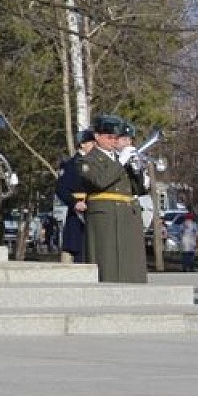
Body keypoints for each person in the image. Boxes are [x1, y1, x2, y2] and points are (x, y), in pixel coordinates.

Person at [77, 114, 147, 283]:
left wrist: (137, 170)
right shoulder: (87, 161)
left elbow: (137, 190)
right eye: (109, 137)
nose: (113, 141)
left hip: (127, 215)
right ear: (97, 136)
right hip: (105, 216)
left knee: (130, 261)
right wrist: (121, 162)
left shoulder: (120, 158)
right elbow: (101, 181)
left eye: (116, 137)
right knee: (107, 260)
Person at [56, 129, 96, 263]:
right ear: (82, 144)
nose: (94, 146)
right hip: (78, 213)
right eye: (91, 143)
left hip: (94, 211)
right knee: (81, 253)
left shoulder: (96, 163)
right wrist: (74, 203)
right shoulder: (71, 164)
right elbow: (61, 189)